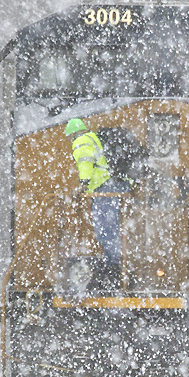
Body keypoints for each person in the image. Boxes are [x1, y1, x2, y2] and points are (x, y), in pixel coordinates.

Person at [65, 118, 129, 291]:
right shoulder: (93, 137)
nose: (71, 140)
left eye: (70, 136)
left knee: (104, 229)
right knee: (110, 228)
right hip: (109, 185)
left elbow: (85, 163)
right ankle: (116, 267)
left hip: (103, 187)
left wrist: (83, 184)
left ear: (73, 133)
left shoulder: (81, 141)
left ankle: (114, 268)